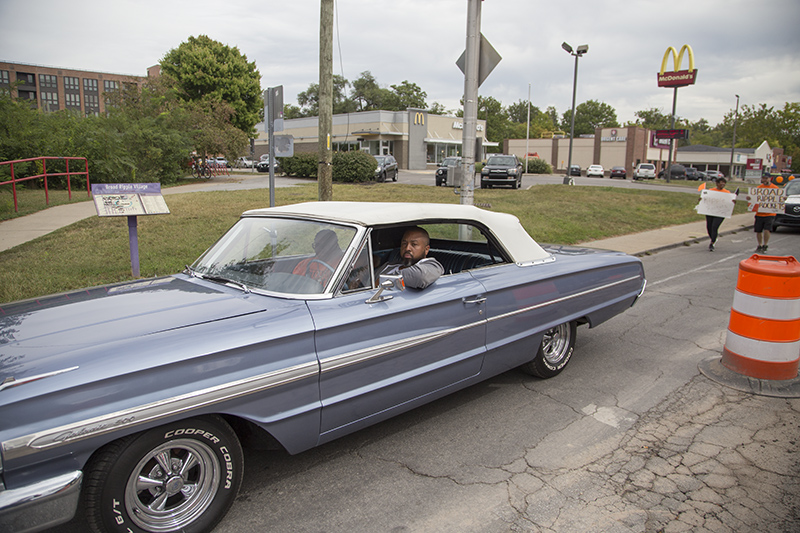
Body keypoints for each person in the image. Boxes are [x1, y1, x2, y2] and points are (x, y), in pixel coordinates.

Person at [377, 226, 443, 289]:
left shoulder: (433, 267)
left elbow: (420, 277)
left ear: (426, 249)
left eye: (414, 244)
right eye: (404, 243)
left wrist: (383, 281)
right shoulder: (390, 265)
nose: (407, 248)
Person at [701, 177, 734, 251]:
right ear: (717, 183)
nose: (722, 184)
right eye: (721, 182)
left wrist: (733, 202)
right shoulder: (711, 191)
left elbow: (729, 202)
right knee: (709, 227)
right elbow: (706, 198)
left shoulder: (727, 192)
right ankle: (713, 238)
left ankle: (712, 243)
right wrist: (702, 199)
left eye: (724, 182)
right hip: (710, 212)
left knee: (714, 226)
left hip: (720, 213)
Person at [754, 174, 779, 252]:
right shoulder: (759, 188)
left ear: (770, 179)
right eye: (763, 178)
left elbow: (779, 199)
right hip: (759, 213)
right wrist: (750, 198)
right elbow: (754, 198)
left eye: (766, 178)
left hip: (770, 213)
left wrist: (782, 199)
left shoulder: (775, 188)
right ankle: (760, 244)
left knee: (767, 229)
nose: (765, 180)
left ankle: (765, 244)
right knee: (758, 230)